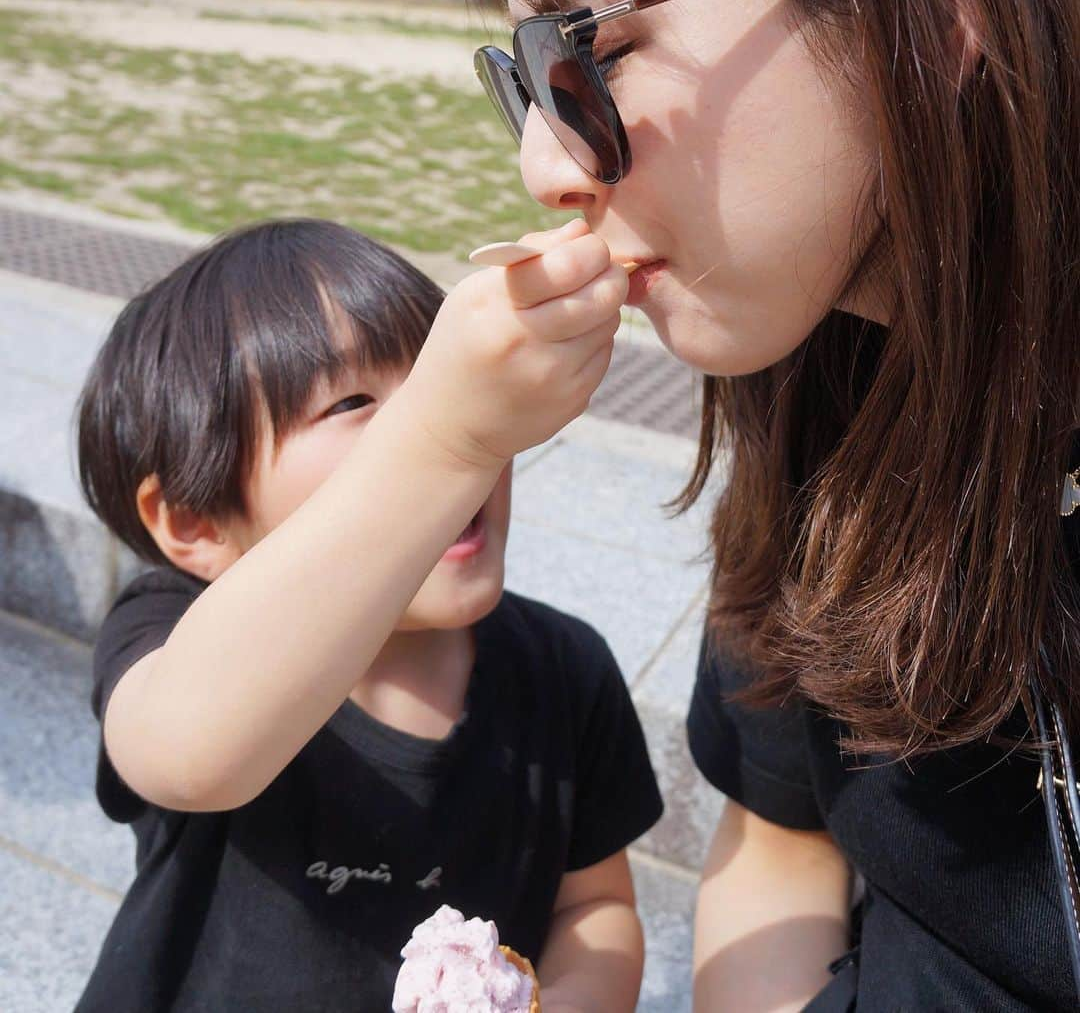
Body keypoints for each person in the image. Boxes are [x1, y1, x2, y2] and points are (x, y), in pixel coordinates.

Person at [438, 0, 1080, 1008]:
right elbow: (782, 840)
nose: (547, 165)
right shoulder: (824, 388)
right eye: (522, 78)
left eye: (590, 54)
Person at [73, 218, 661, 1012]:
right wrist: (441, 438)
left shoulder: (564, 668)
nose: (448, 434)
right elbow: (184, 750)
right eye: (354, 402)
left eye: (437, 385)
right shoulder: (176, 637)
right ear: (197, 524)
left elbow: (595, 909)